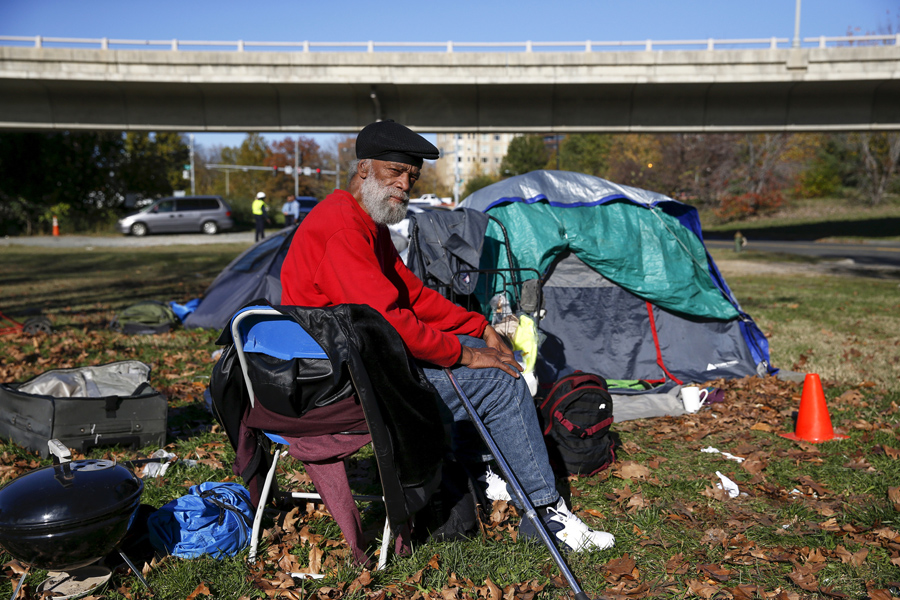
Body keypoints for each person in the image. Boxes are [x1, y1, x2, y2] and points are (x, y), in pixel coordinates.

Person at [280, 120, 614, 553]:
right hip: (340, 389)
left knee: (485, 355)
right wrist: (468, 356)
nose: (405, 185)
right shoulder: (343, 228)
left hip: (357, 367)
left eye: (412, 177)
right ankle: (545, 514)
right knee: (501, 380)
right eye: (395, 172)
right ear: (364, 168)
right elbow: (391, 323)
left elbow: (413, 296)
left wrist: (479, 328)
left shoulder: (367, 223)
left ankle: (488, 472)